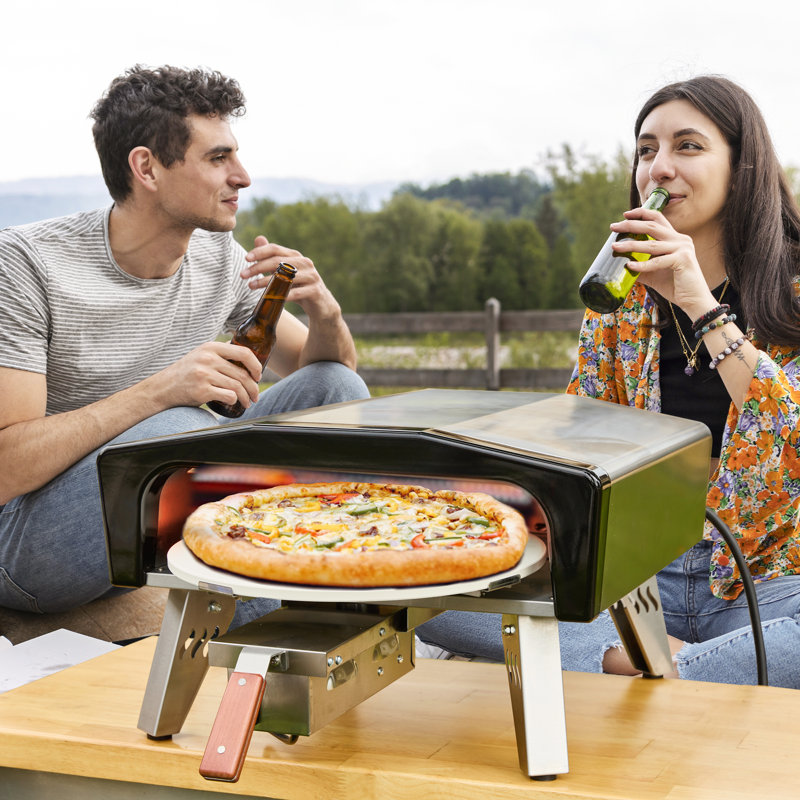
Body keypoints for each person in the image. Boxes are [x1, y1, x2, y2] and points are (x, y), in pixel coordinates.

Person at [416, 75, 800, 688]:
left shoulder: (794, 291)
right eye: (647, 150)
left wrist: (702, 306)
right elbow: (583, 434)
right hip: (639, 579)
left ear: (743, 166)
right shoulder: (620, 302)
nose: (660, 169)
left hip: (772, 583)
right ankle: (653, 664)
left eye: (688, 147)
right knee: (425, 583)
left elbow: (792, 436)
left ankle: (645, 672)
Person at [0, 65, 369, 622]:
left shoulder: (217, 258)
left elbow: (324, 373)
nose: (242, 177)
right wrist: (161, 392)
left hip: (154, 509)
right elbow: (7, 465)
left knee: (334, 386)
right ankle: (280, 630)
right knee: (177, 430)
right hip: (27, 547)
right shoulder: (27, 264)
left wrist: (325, 311)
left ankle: (346, 571)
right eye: (218, 158)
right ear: (147, 167)